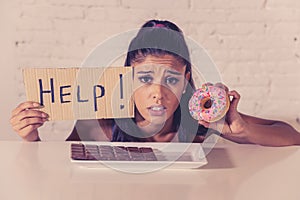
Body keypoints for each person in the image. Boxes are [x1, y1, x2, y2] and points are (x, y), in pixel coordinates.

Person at [10, 19, 300, 146]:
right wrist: (31, 137)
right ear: (127, 77)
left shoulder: (200, 120)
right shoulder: (101, 121)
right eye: (145, 79)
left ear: (186, 79)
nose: (157, 94)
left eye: (171, 79)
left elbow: (291, 136)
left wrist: (243, 131)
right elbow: (56, 169)